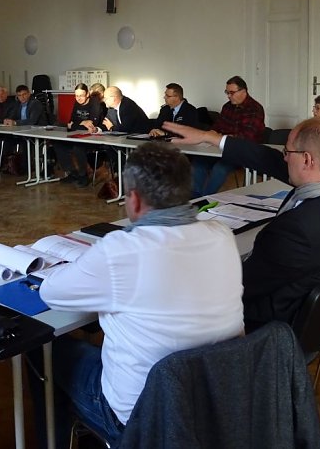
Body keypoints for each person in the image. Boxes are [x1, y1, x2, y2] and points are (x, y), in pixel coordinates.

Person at [28, 142, 243, 448]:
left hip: (143, 420)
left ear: (135, 200)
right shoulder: (221, 234)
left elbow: (51, 293)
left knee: (44, 351)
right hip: (214, 403)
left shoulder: (121, 251)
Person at [164, 117, 320, 329]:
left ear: (307, 160)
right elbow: (270, 160)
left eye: (287, 152)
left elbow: (239, 286)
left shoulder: (298, 230)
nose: (283, 159)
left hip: (271, 324)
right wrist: (211, 138)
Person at [189, 76, 265, 197]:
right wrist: (212, 132)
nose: (229, 96)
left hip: (243, 151)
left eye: (232, 92)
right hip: (221, 148)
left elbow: (246, 137)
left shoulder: (255, 109)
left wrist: (222, 137)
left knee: (220, 168)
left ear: (244, 91)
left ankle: (206, 198)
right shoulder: (227, 107)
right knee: (198, 163)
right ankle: (196, 197)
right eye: (227, 92)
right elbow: (217, 126)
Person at [54, 83, 105, 187]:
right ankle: (72, 173)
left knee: (78, 147)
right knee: (58, 144)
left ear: (87, 94)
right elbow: (71, 122)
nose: (79, 98)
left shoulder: (95, 103)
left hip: (94, 137)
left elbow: (92, 125)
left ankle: (83, 175)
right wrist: (82, 123)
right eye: (76, 96)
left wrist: (76, 124)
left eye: (81, 95)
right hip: (77, 134)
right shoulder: (76, 102)